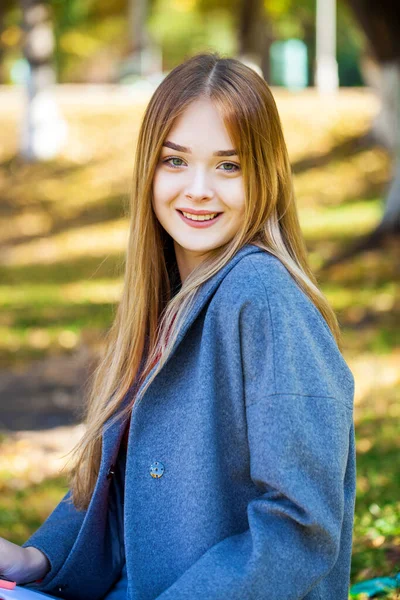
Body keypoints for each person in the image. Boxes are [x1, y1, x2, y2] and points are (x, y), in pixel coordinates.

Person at [0, 52, 356, 600]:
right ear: (149, 168)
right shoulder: (167, 303)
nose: (197, 189)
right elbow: (135, 492)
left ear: (265, 175)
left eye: (228, 165)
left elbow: (300, 527)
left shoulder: (262, 299)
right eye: (175, 161)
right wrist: (33, 559)